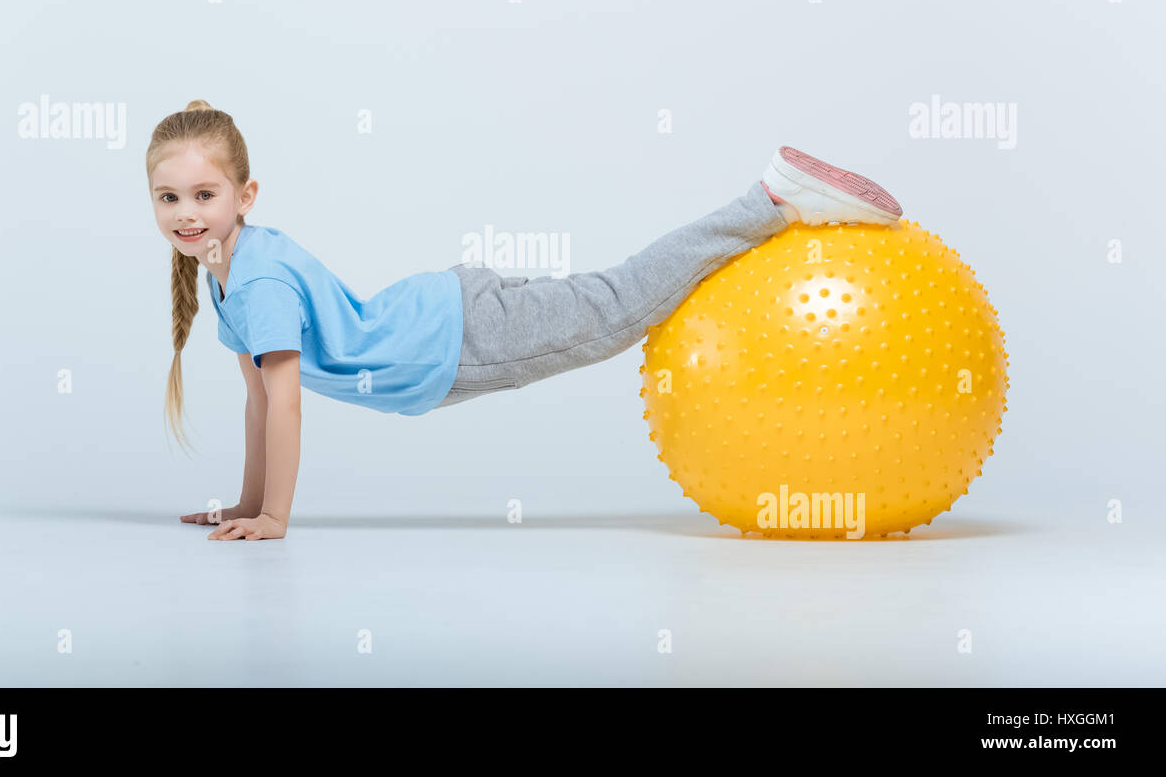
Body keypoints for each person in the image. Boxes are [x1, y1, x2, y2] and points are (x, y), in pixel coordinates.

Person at [149, 101, 902, 540]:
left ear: (245, 196)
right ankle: (768, 205)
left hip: (457, 338)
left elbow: (284, 399)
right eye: (169, 197)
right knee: (612, 301)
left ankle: (768, 200)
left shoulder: (259, 280)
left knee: (617, 306)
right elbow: (257, 399)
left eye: (204, 195)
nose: (187, 214)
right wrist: (246, 505)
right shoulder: (231, 274)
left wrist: (275, 516)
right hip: (448, 317)